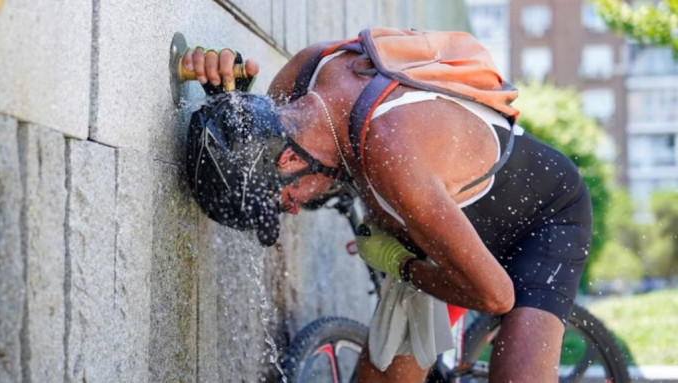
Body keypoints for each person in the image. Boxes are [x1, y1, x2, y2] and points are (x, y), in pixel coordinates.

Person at [182, 29, 592, 383]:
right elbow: (258, 137)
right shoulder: (304, 75)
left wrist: (399, 263)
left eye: (285, 199)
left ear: (289, 161)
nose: (291, 210)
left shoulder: (392, 155)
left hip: (542, 215)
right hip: (435, 229)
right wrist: (227, 104)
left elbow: (495, 297)